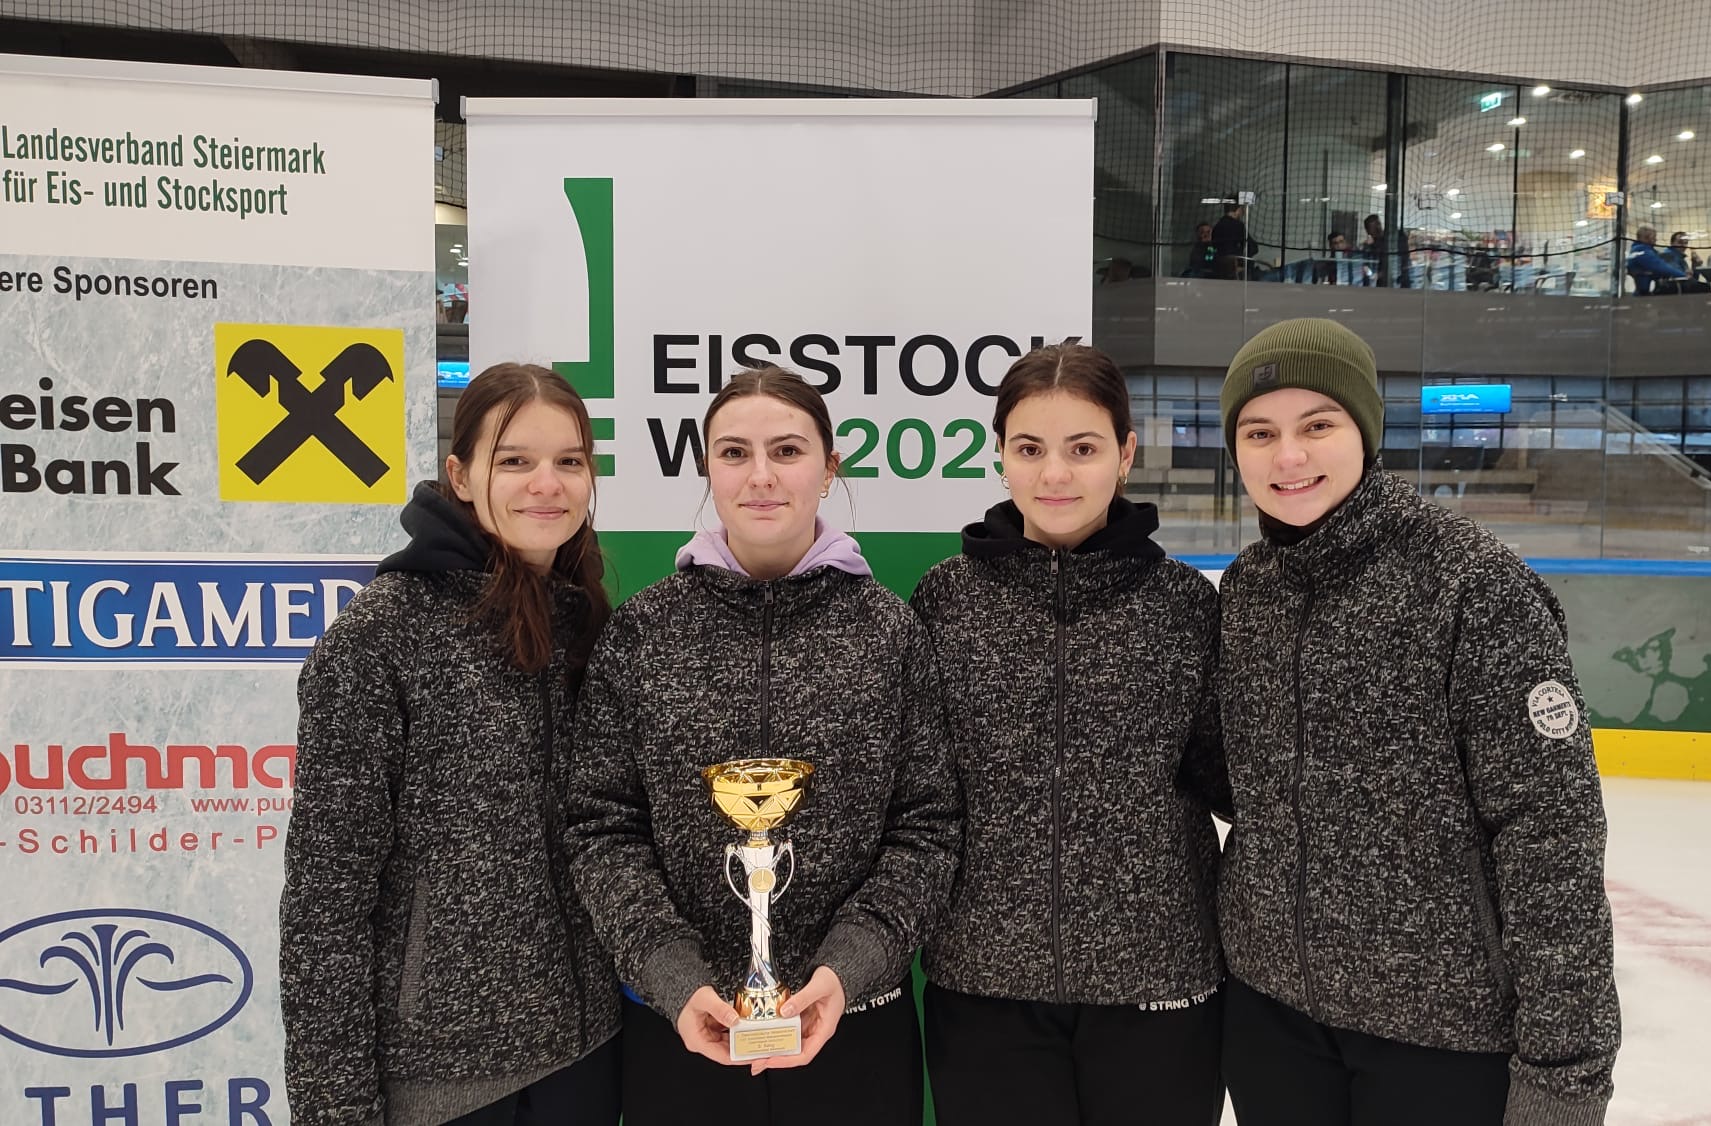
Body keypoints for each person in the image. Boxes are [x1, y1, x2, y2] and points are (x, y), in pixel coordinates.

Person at [1212, 318, 1620, 1125]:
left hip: (1443, 1036)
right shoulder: (1248, 588)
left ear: (1365, 431)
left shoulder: (1474, 589)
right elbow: (1249, 788)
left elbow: (1552, 836)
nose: (1287, 458)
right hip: (1271, 1018)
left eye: (1317, 426)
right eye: (1259, 433)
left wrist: (1565, 1072)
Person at [565, 366, 960, 1126]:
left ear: (829, 465)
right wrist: (675, 979)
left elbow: (928, 827)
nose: (761, 476)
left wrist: (847, 969)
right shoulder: (645, 633)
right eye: (734, 453)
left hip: (857, 1029)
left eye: (787, 450)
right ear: (706, 466)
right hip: (681, 1033)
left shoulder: (889, 632)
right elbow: (601, 829)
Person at [282, 363, 623, 1126]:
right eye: (515, 461)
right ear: (461, 475)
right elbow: (323, 903)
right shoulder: (380, 638)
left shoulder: (587, 623)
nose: (547, 483)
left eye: (569, 461)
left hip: (589, 1053)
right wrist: (335, 1109)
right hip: (443, 1083)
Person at [912, 344, 1232, 1126]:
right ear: (1000, 457)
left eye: (1082, 449)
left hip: (1161, 988)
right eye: (1030, 449)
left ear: (1125, 454)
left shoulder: (1185, 608)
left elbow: (1232, 780)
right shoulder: (944, 603)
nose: (1054, 474)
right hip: (984, 989)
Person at [1626, 226, 1695, 295]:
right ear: (1647, 237)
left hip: (1644, 292)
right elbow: (1662, 268)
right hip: (1643, 294)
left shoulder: (1638, 250)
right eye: (1654, 237)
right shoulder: (1643, 252)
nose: (1656, 239)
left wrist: (1694, 265)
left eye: (1686, 243)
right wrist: (1683, 276)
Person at [1213, 201, 1258, 279]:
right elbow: (1253, 248)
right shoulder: (1238, 226)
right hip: (1237, 271)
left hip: (1220, 272)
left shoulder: (1216, 227)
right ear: (1238, 209)